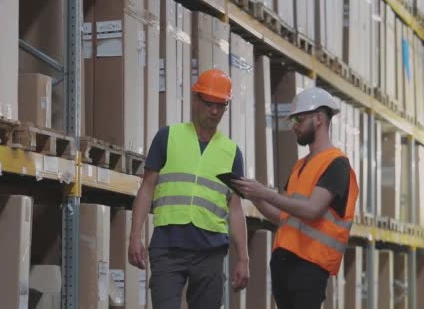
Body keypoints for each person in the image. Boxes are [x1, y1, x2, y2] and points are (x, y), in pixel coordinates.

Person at [128, 69, 249, 309]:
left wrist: (243, 258)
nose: (214, 111)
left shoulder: (232, 152)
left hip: (210, 250)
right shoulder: (167, 137)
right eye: (209, 104)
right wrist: (134, 237)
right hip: (168, 246)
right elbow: (146, 189)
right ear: (195, 100)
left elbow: (235, 209)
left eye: (221, 106)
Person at [232, 87, 359, 309]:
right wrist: (252, 195)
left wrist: (266, 193)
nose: (294, 128)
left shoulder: (337, 164)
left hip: (309, 267)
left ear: (319, 118)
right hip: (284, 264)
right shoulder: (301, 165)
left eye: (298, 120)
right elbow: (283, 217)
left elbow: (312, 210)